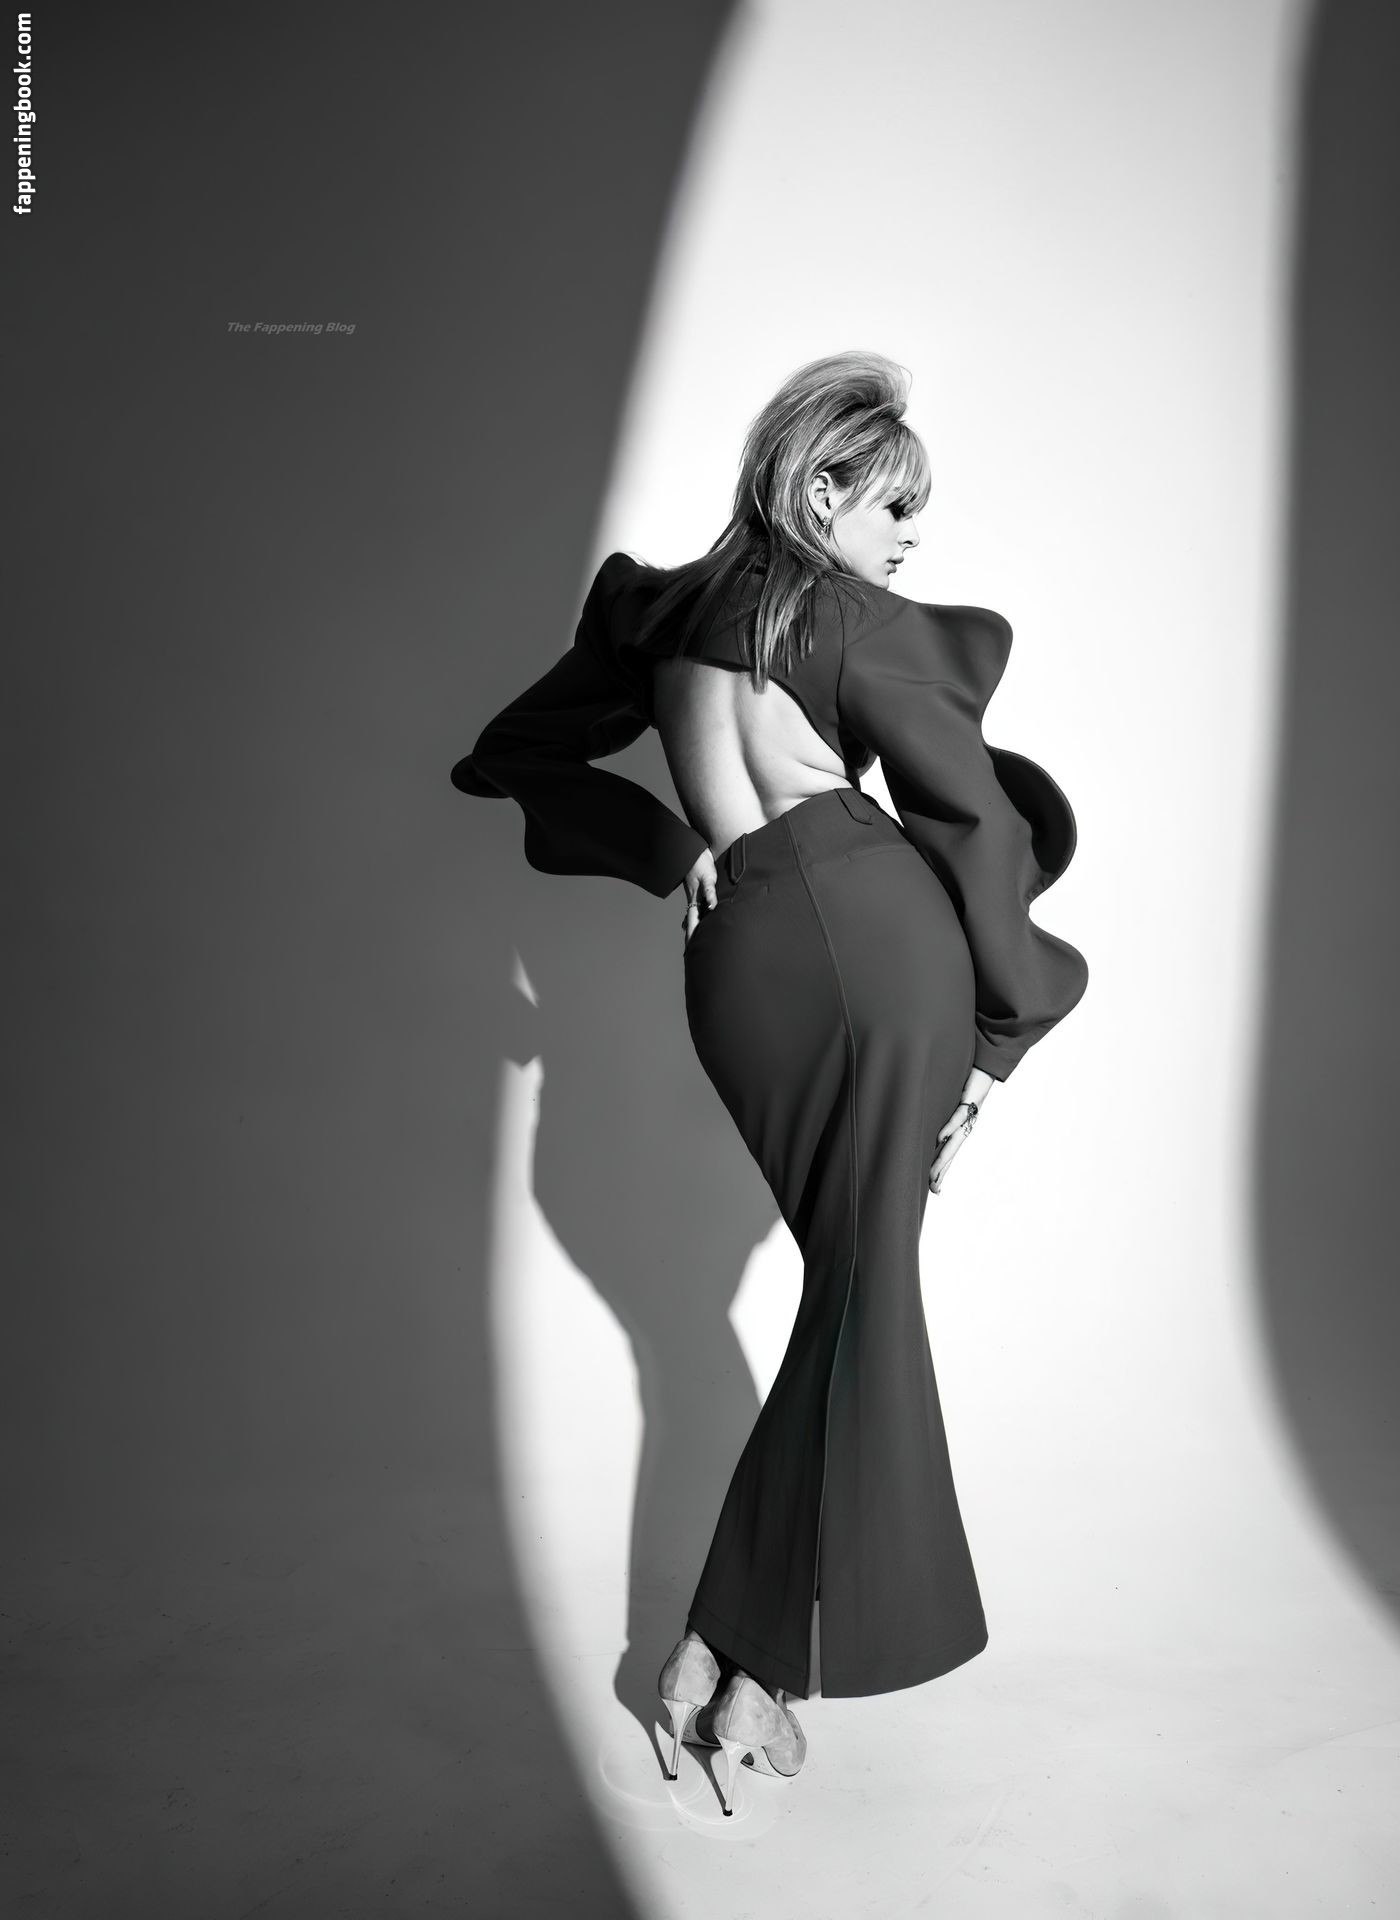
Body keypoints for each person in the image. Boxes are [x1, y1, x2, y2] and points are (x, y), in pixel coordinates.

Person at [450, 351, 1088, 1815]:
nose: (912, 535)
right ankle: (732, 1657)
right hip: (872, 942)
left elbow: (512, 753)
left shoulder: (657, 613)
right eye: (894, 506)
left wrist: (672, 852)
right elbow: (978, 827)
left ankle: (745, 1671)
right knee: (865, 1295)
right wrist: (1009, 1025)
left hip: (733, 963)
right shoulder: (856, 625)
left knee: (855, 1291)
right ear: (820, 490)